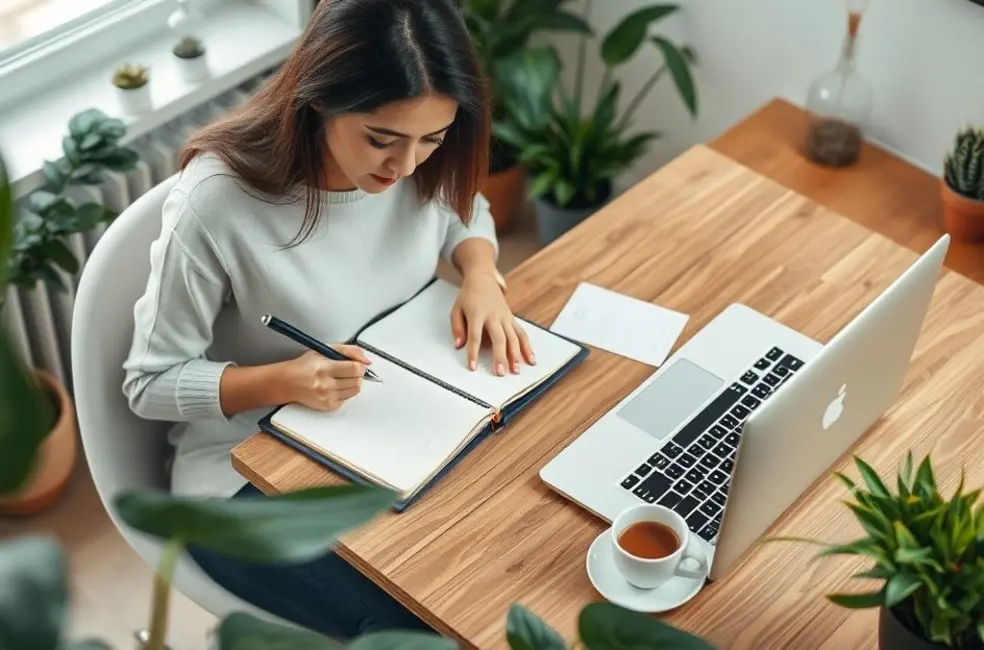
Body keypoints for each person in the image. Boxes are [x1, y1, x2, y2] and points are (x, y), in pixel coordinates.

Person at [121, 0, 536, 640]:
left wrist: (480, 273)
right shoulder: (217, 203)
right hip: (241, 478)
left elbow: (464, 208)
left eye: (432, 139)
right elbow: (149, 384)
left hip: (386, 427)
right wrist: (285, 380)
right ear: (319, 99)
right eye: (382, 139)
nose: (405, 167)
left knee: (500, 562)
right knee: (414, 628)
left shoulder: (415, 163)